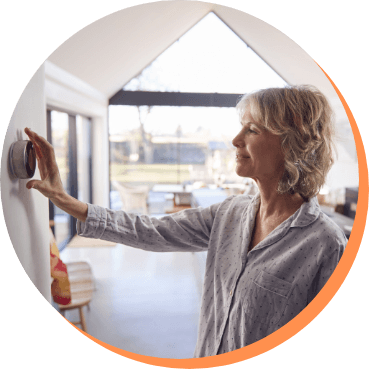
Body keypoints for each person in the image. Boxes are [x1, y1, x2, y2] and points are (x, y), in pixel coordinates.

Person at [25, 85, 347, 358]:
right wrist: (69, 203)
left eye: (251, 129)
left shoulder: (325, 245)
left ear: (291, 143)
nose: (235, 140)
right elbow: (151, 230)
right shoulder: (229, 214)